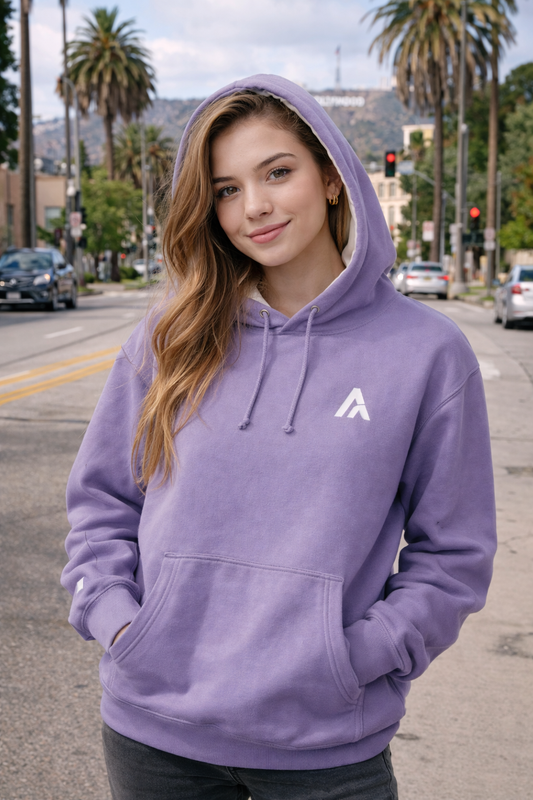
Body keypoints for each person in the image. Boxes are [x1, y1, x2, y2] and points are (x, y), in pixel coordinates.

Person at [61, 75, 496, 800]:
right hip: (153, 737)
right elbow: (103, 499)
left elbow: (453, 554)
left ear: (330, 177)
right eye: (226, 189)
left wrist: (352, 658)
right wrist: (118, 622)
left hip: (324, 749)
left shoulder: (426, 353)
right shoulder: (171, 336)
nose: (253, 207)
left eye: (277, 173)